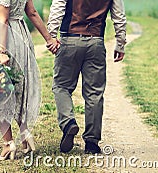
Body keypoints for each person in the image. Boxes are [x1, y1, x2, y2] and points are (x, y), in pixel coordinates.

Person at [0, 0, 58, 160]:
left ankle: (8, 143)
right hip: (21, 36)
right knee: (19, 87)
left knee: (0, 89)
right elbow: (32, 12)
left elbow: (3, 19)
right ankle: (25, 134)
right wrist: (49, 39)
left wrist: (1, 50)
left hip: (3, 38)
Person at [47, 0, 127, 153]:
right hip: (96, 41)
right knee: (94, 94)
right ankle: (92, 143)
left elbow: (58, 7)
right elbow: (119, 16)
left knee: (61, 87)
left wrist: (51, 35)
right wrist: (120, 43)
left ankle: (68, 122)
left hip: (69, 40)